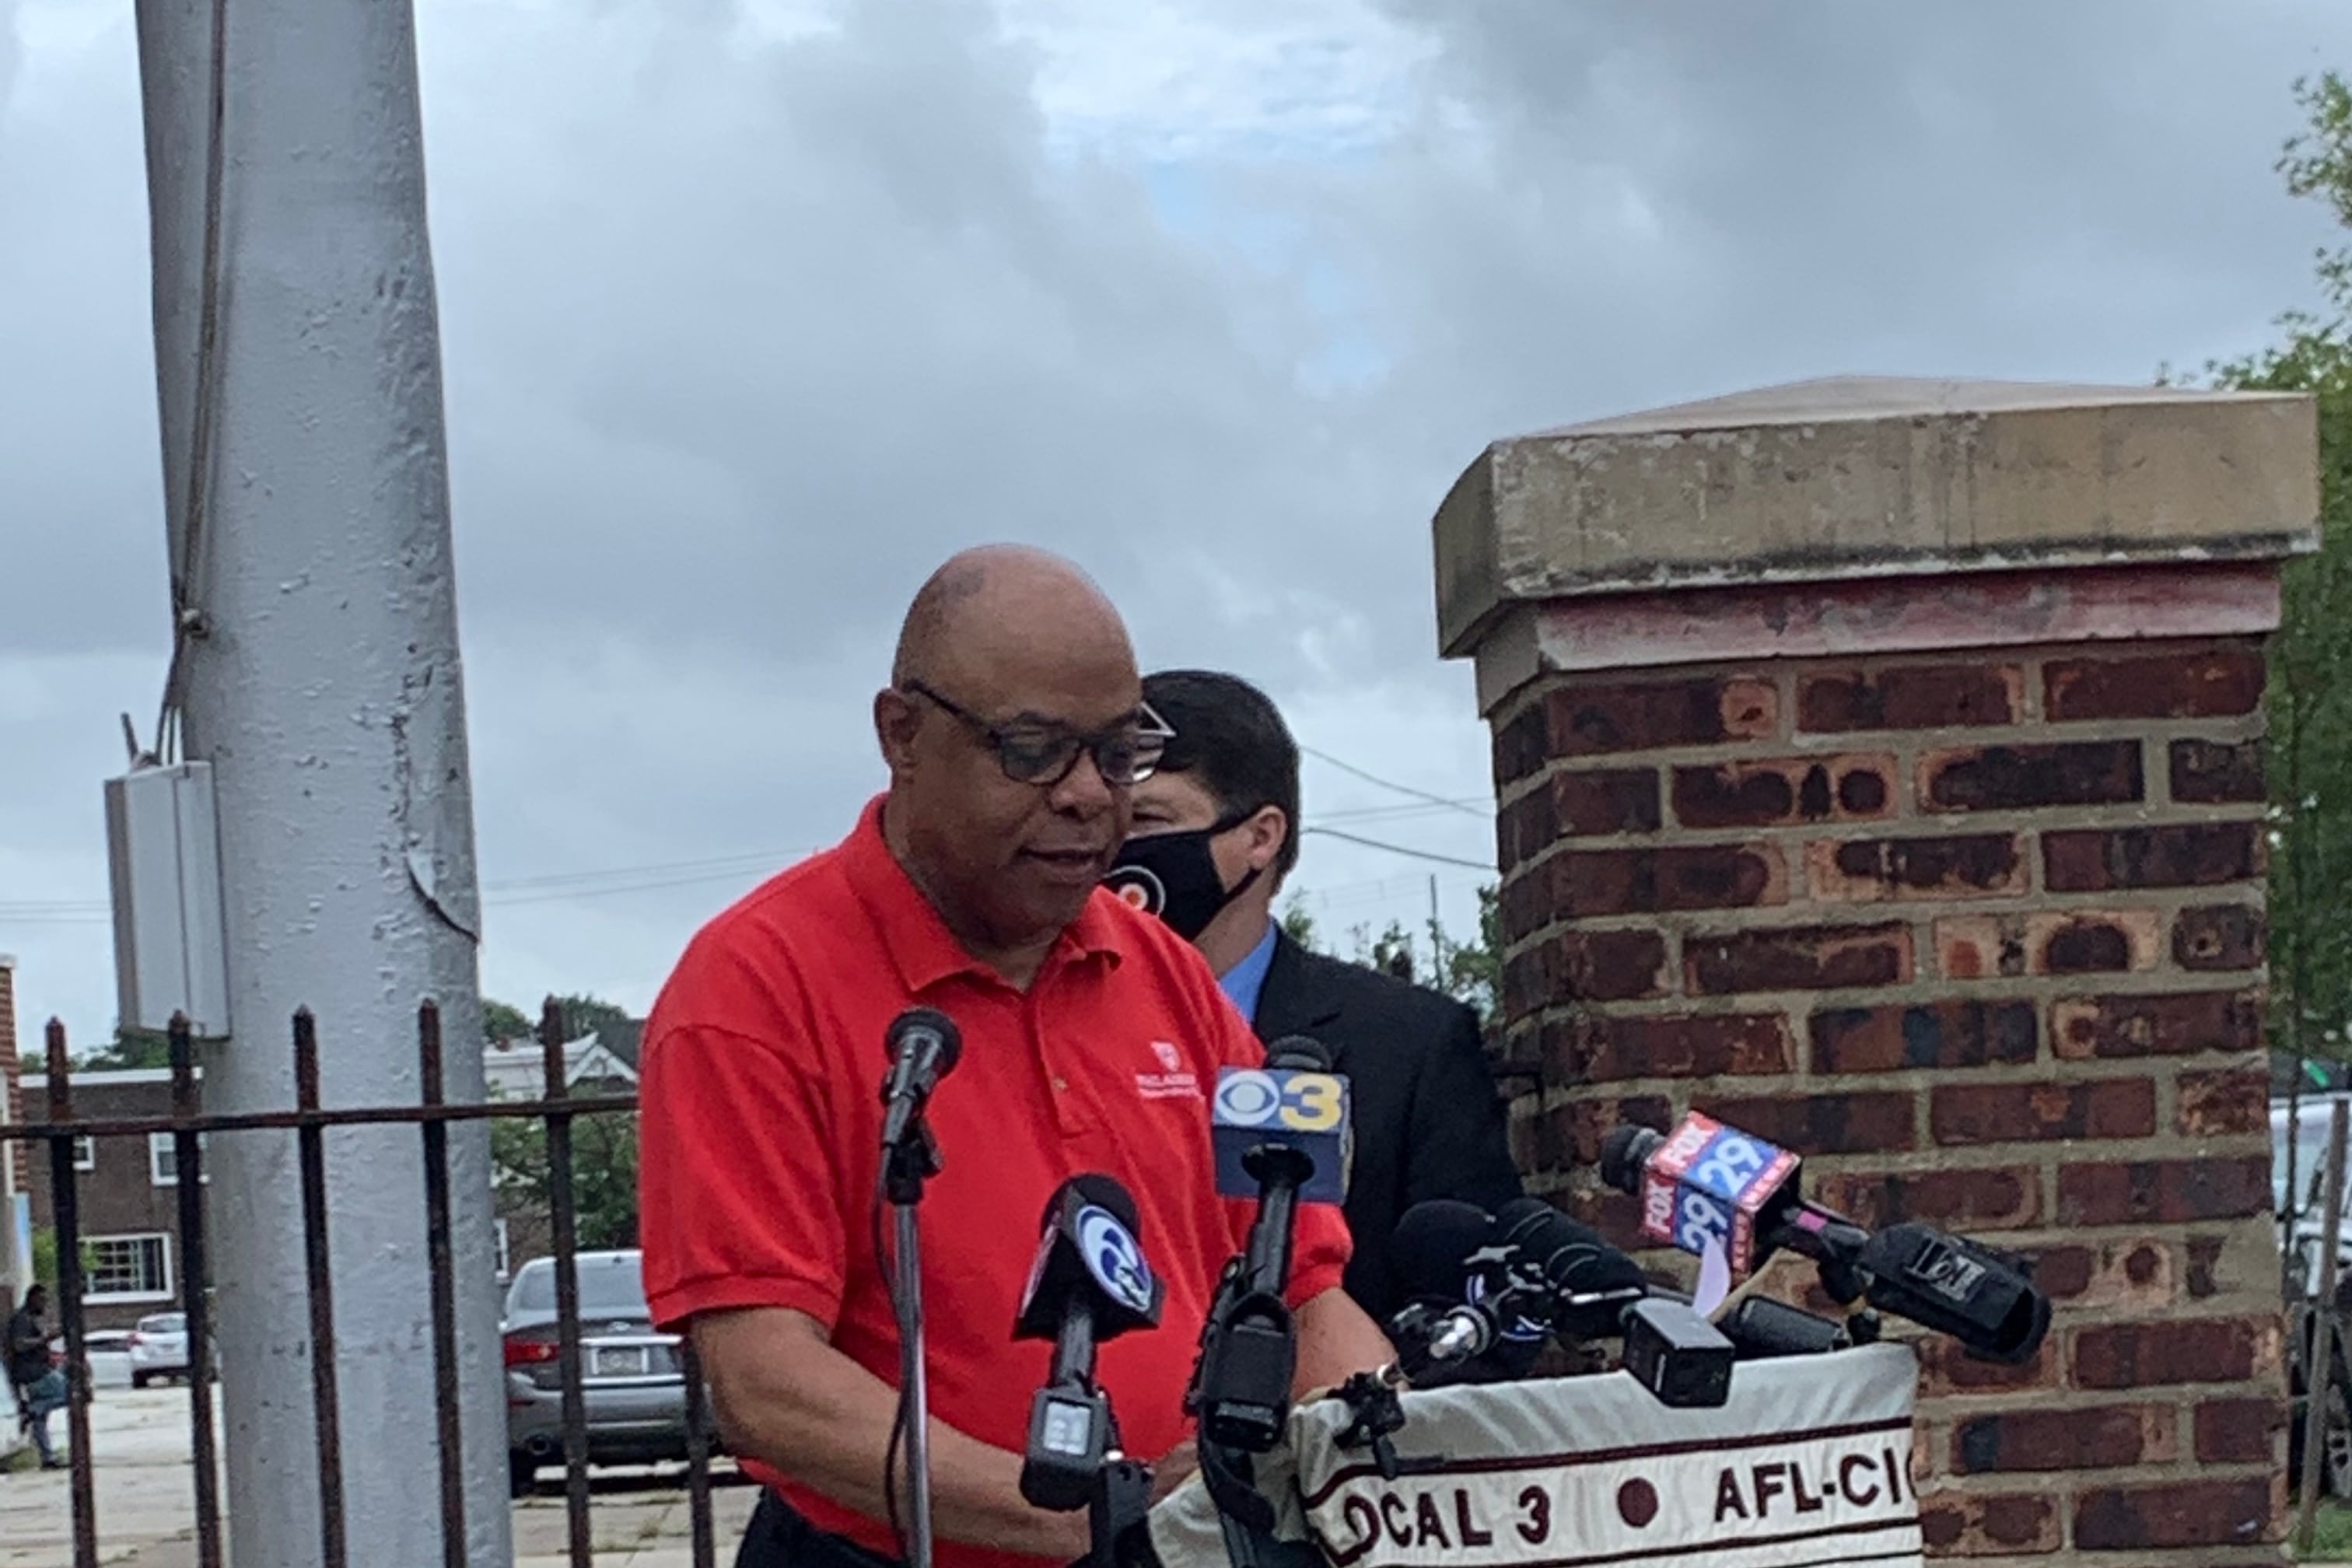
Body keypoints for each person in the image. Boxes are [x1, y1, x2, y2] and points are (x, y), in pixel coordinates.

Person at [637, 547, 1392, 1568]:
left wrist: (1381, 1484)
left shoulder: (1168, 974)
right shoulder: (754, 985)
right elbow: (766, 1385)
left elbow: (1304, 1293)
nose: (1088, 796)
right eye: (1032, 750)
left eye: (1118, 753)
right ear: (901, 735)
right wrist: (1103, 1522)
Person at [1108, 670, 1524, 1327]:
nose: (1113, 850)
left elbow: (1474, 1298)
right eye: (1105, 820)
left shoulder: (1408, 1045)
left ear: (1261, 836)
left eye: (1147, 821)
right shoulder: (1034, 1025)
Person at [8, 1285, 68, 1470]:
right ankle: (32, 1409)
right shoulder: (22, 1319)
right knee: (76, 1392)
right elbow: (19, 1345)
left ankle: (47, 1458)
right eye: (42, 1300)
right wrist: (45, 1339)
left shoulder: (29, 1318)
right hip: (35, 1373)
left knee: (40, 1420)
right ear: (32, 1299)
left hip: (31, 1373)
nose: (45, 1304)